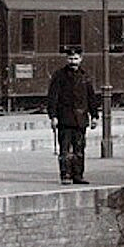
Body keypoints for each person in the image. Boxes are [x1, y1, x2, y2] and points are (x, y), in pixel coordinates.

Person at [46, 50, 94, 183]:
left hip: (80, 119)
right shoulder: (59, 76)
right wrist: (53, 116)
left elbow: (91, 97)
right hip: (64, 118)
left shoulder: (85, 76)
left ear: (81, 59)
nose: (73, 61)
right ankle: (66, 175)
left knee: (79, 149)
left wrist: (94, 115)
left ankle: (78, 175)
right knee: (65, 150)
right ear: (67, 59)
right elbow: (53, 97)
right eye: (71, 58)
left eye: (75, 58)